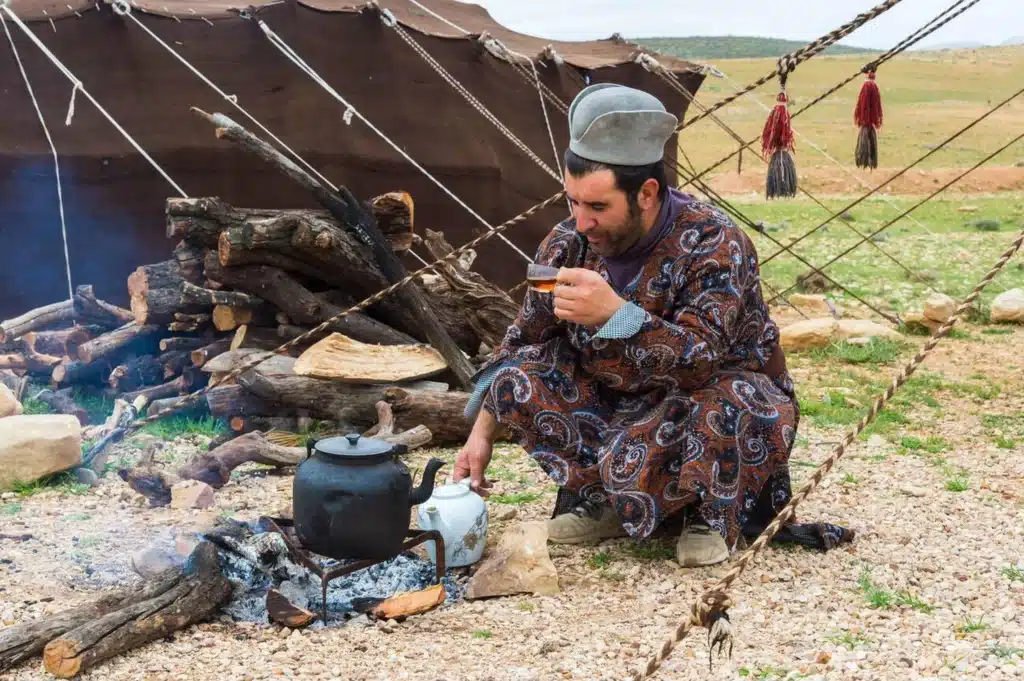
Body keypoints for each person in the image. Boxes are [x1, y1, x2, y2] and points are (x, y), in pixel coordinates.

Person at [453, 83, 837, 567]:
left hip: (706, 401)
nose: (581, 221)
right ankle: (611, 502)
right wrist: (480, 434)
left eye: (597, 207)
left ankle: (709, 513)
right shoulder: (568, 242)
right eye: (572, 201)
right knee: (518, 377)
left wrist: (619, 316)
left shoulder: (715, 241)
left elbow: (701, 357)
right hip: (618, 408)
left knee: (734, 399)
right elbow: (523, 340)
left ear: (648, 194)